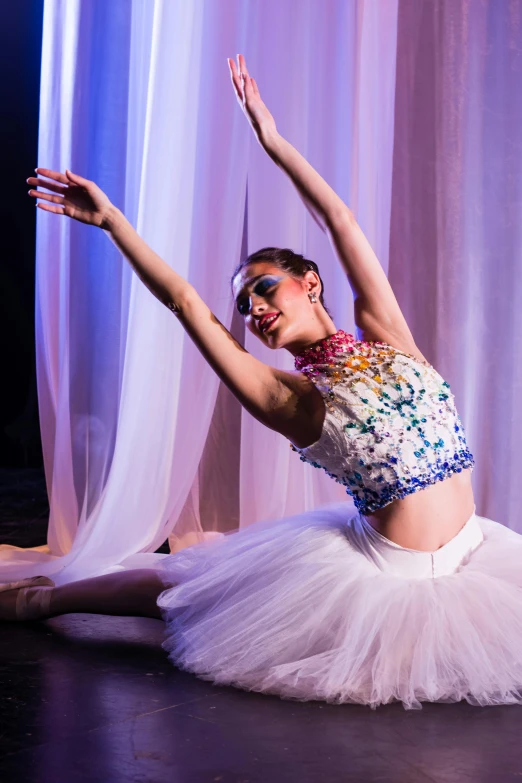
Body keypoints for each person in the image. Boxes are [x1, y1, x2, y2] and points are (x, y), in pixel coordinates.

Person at [2, 53, 522, 710]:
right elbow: (188, 302)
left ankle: (49, 587)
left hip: (479, 557)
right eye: (244, 304)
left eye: (263, 287)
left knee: (192, 575)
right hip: (393, 580)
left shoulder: (388, 334)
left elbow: (342, 221)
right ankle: (42, 596)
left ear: (310, 283)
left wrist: (272, 142)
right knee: (177, 589)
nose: (253, 308)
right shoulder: (291, 398)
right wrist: (115, 225)